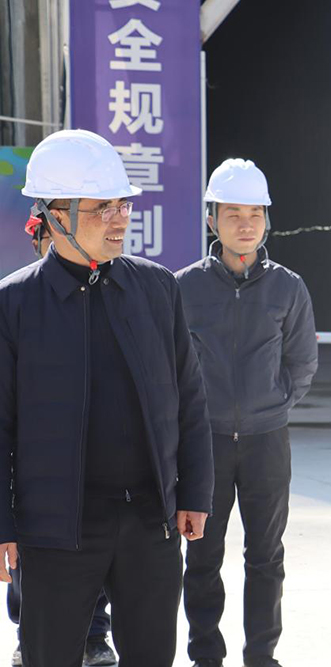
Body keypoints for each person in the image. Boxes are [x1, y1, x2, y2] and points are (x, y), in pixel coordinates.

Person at [0, 128, 215, 666]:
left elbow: (189, 399)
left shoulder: (157, 288)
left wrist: (194, 493)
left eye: (122, 205)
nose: (120, 219)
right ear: (55, 216)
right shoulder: (15, 304)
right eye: (102, 208)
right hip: (55, 530)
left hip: (150, 522)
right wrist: (2, 525)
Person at [178, 158, 318, 667]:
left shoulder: (288, 287)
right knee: (202, 556)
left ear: (266, 219)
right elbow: (170, 366)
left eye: (255, 213)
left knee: (265, 557)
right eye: (233, 213)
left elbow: (302, 362)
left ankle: (262, 655)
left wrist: (272, 405)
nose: (245, 224)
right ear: (211, 219)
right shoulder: (184, 287)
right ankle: (205, 656)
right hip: (205, 444)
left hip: (266, 442)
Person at [5, 212, 116, 667]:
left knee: (98, 557)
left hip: (96, 465)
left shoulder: (100, 297)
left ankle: (95, 636)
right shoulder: (21, 301)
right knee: (30, 567)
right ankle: (26, 631)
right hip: (37, 468)